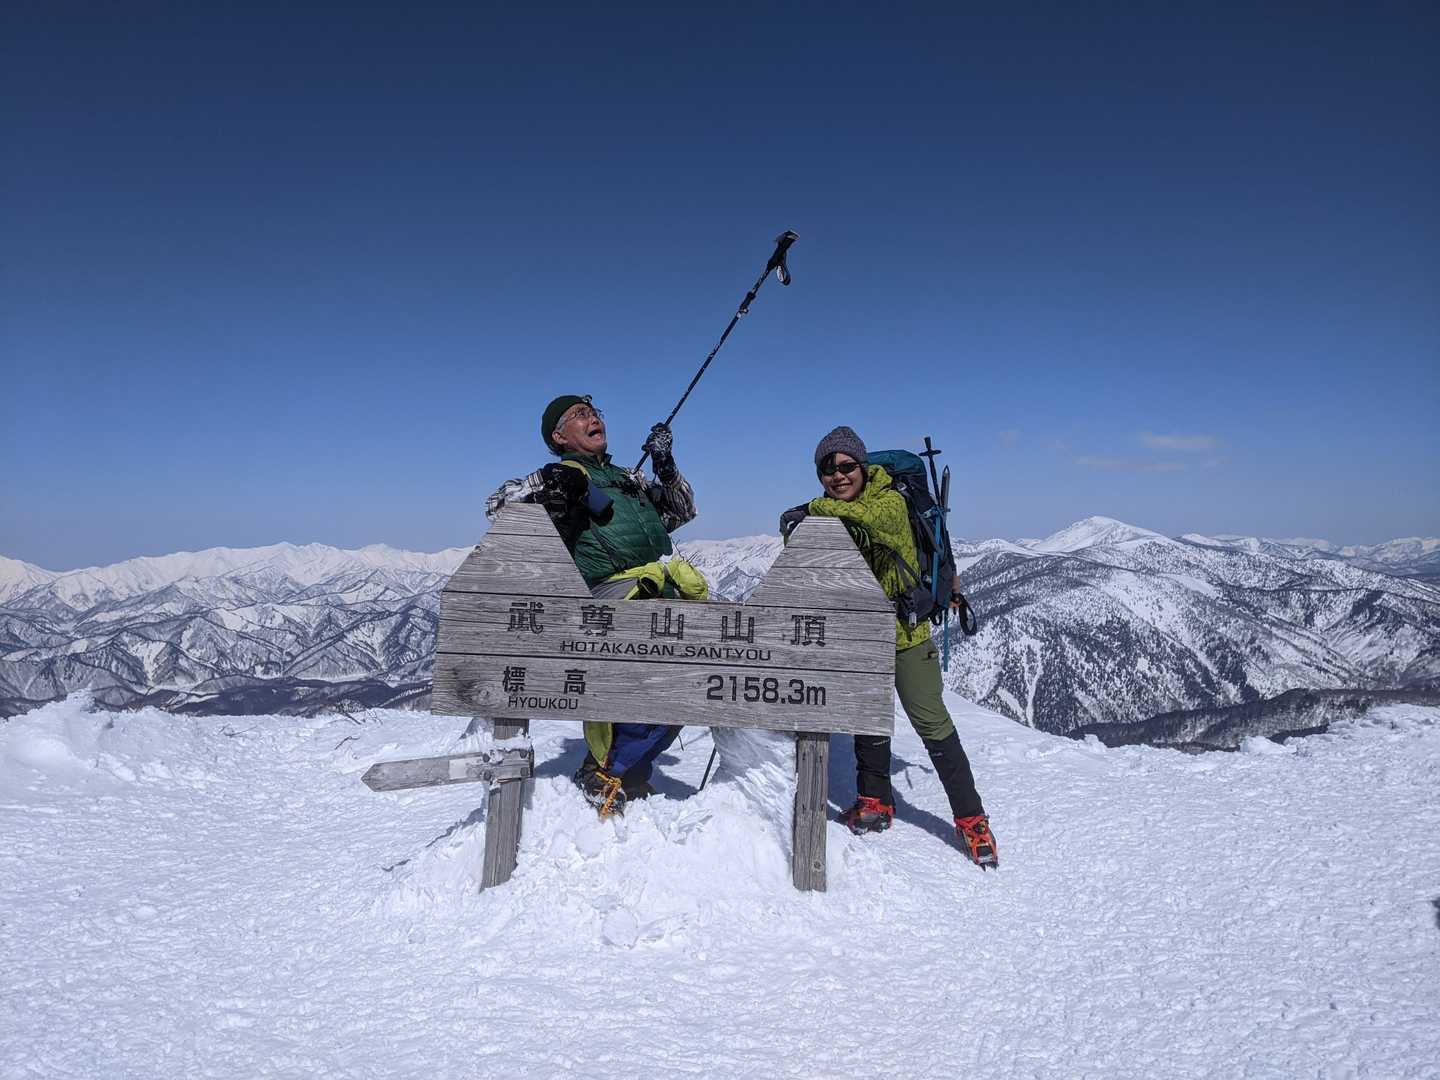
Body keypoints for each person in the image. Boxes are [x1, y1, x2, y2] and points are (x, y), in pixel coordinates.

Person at [791, 425, 998, 869]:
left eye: (847, 466)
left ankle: (972, 819)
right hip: (863, 635)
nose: (838, 475)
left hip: (907, 635)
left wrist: (810, 508)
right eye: (827, 469)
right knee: (867, 717)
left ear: (864, 467)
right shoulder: (837, 510)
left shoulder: (888, 501)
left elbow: (868, 520)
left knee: (932, 723)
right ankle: (875, 800)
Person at [485, 394, 702, 818]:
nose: (592, 418)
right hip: (610, 594)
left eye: (594, 412)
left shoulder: (628, 479)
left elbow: (684, 512)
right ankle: (605, 769)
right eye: (579, 415)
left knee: (690, 682)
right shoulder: (561, 478)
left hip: (661, 590)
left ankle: (626, 770)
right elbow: (496, 507)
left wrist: (666, 466)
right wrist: (549, 482)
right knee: (656, 679)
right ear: (559, 436)